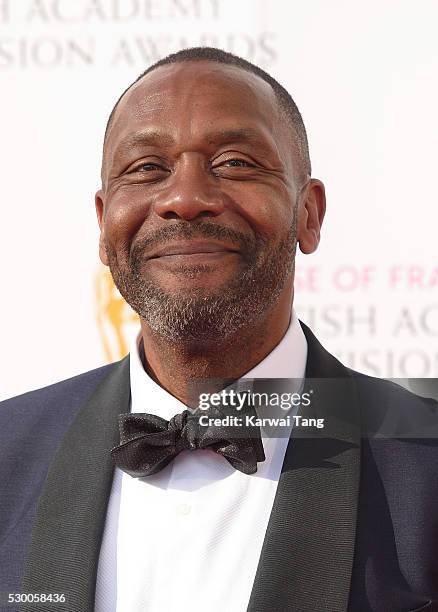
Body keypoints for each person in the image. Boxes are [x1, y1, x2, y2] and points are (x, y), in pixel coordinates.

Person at [1, 47, 437, 612]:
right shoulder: (7, 455)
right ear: (104, 226)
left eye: (234, 162)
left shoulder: (425, 464)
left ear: (309, 214)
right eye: (147, 169)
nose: (185, 199)